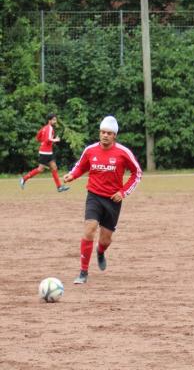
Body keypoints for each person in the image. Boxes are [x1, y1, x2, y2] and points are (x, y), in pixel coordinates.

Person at [63, 115, 142, 284]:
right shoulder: (90, 150)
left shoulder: (123, 153)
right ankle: (83, 272)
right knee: (89, 229)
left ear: (114, 135)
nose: (105, 135)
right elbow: (81, 166)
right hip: (94, 196)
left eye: (108, 133)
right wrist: (72, 175)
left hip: (113, 201)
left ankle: (100, 251)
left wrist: (123, 192)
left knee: (105, 240)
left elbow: (137, 173)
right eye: (102, 132)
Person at [20, 113, 70, 192]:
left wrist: (44, 142)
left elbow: (38, 138)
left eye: (55, 119)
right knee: (40, 169)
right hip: (45, 152)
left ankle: (59, 187)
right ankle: (24, 178)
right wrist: (55, 140)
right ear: (49, 120)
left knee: (54, 167)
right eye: (54, 120)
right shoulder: (49, 128)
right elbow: (48, 139)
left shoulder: (44, 128)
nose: (55, 121)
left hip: (48, 152)